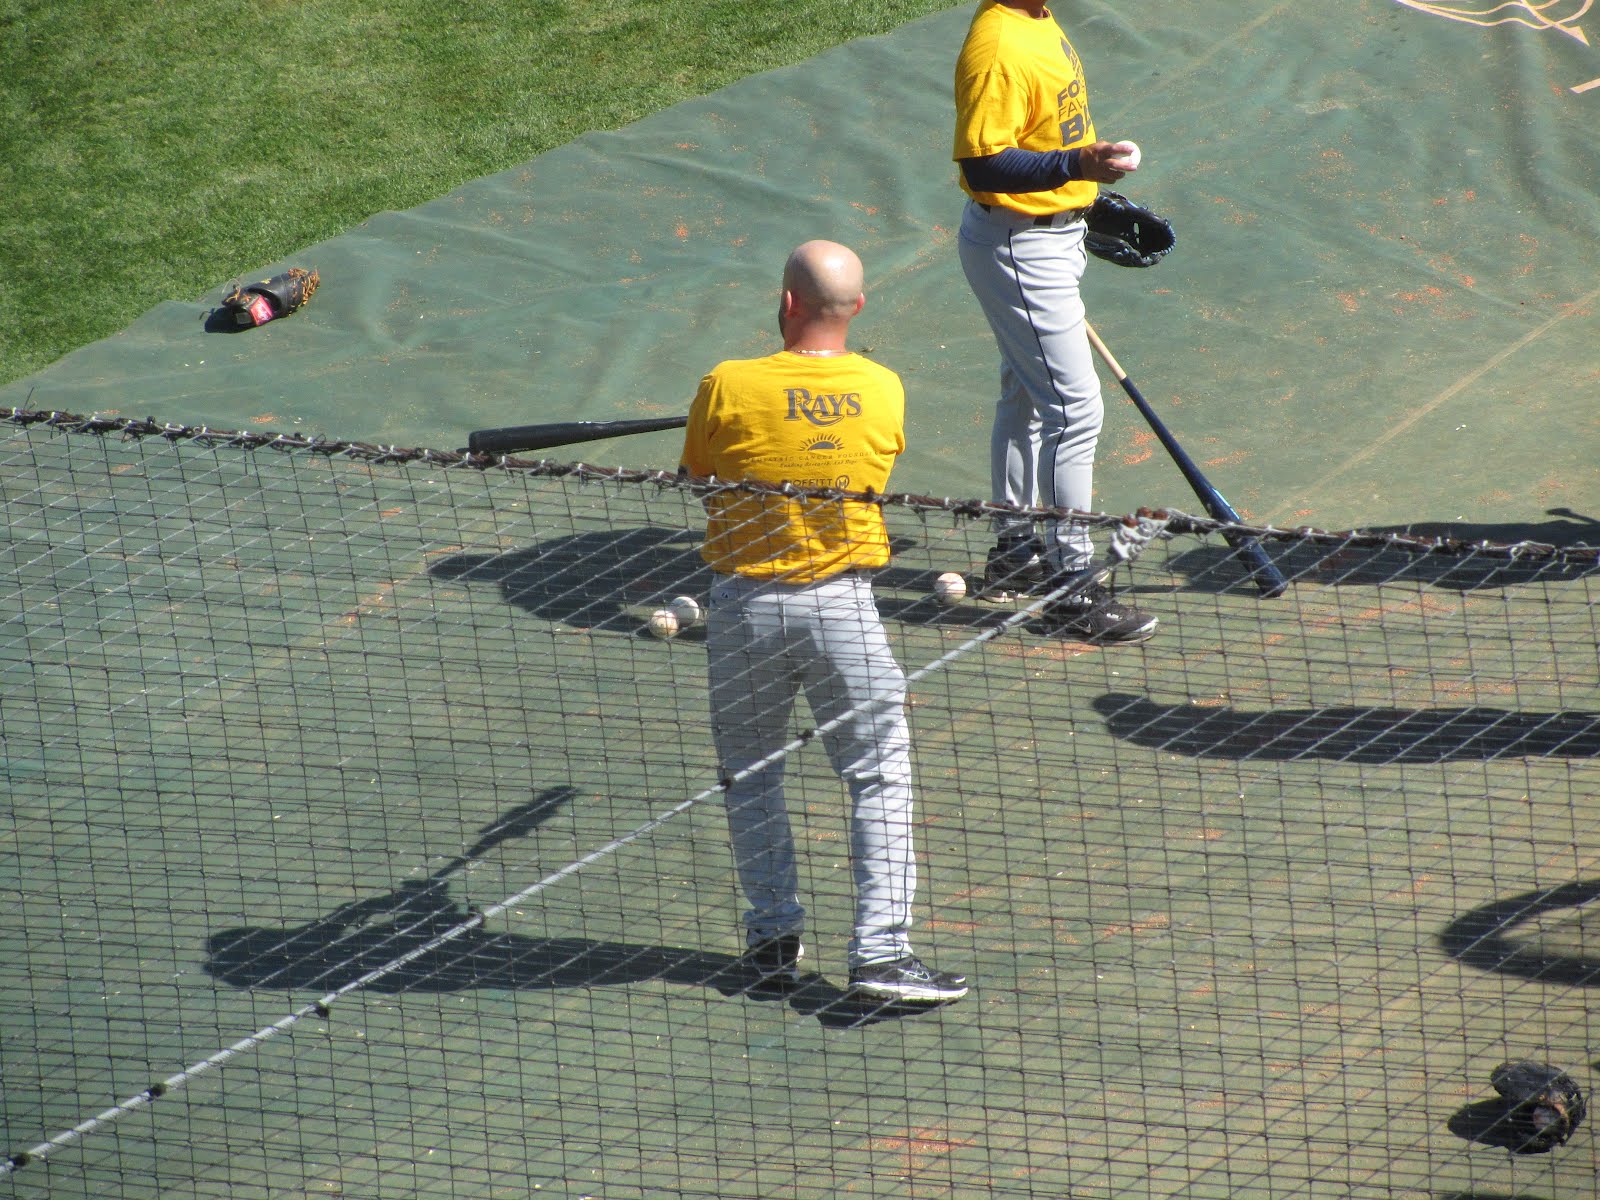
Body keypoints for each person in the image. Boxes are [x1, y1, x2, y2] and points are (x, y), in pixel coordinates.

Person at [679, 240, 968, 1005]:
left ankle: (772, 939)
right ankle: (879, 952)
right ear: (859, 309)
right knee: (877, 777)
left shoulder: (727, 383)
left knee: (751, 776)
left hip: (743, 611)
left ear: (784, 305)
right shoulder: (882, 386)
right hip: (844, 610)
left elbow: (700, 480)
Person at [953, 0, 1158, 643]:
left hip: (1049, 234)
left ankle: (1017, 549)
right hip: (1022, 246)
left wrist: (1081, 197)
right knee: (1075, 409)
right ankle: (1073, 590)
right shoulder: (997, 45)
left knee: (1027, 392)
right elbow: (982, 164)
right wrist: (1076, 168)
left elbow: (1045, 132)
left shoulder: (1037, 19)